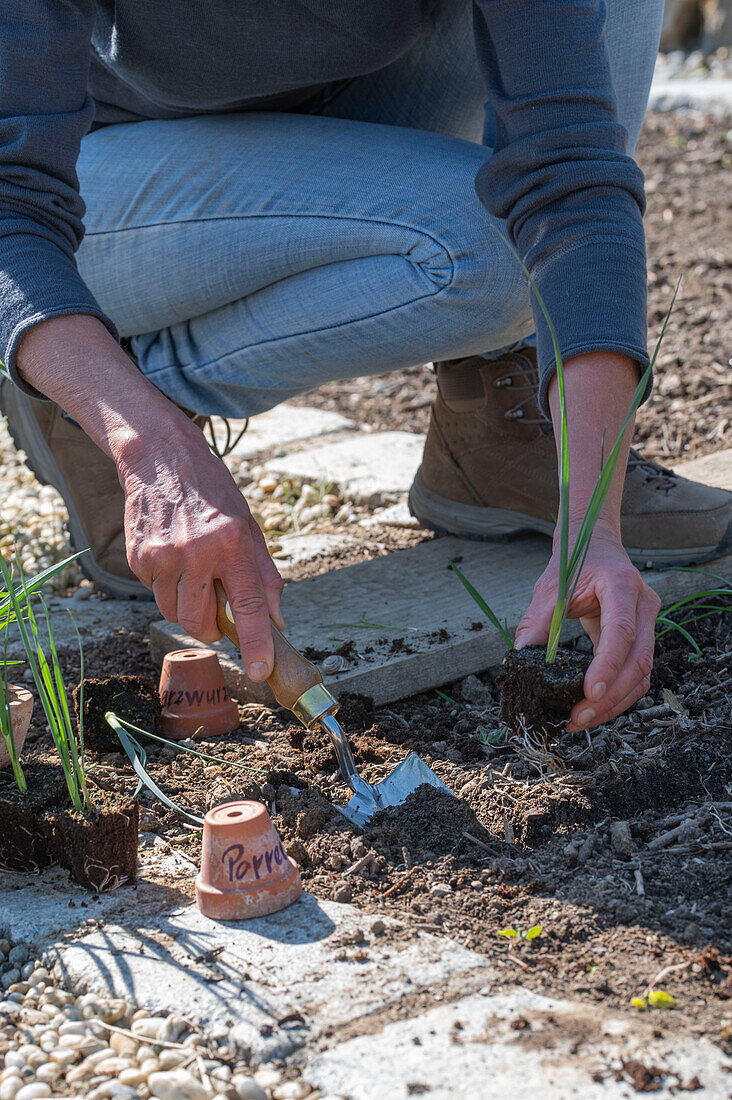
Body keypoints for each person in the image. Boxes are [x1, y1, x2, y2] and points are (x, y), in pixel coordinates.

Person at [1, 0, 729, 738]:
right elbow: (9, 207)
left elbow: (568, 170)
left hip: (328, 102)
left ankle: (504, 430)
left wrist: (592, 523)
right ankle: (108, 379)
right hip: (96, 177)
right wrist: (149, 446)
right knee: (494, 251)